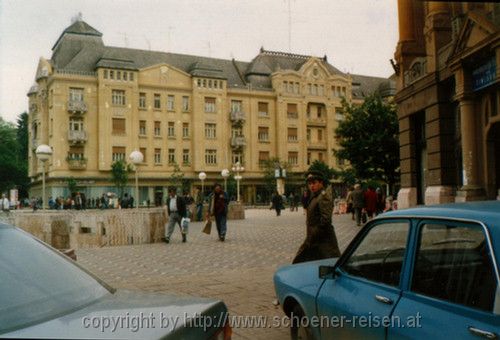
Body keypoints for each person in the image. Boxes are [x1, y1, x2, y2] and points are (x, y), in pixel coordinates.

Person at [292, 171, 341, 264]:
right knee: (311, 263)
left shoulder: (323, 196)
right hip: (315, 238)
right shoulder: (315, 196)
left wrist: (313, 234)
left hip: (323, 240)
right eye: (309, 184)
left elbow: (326, 220)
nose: (311, 186)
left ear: (321, 183)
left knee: (331, 264)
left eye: (314, 183)